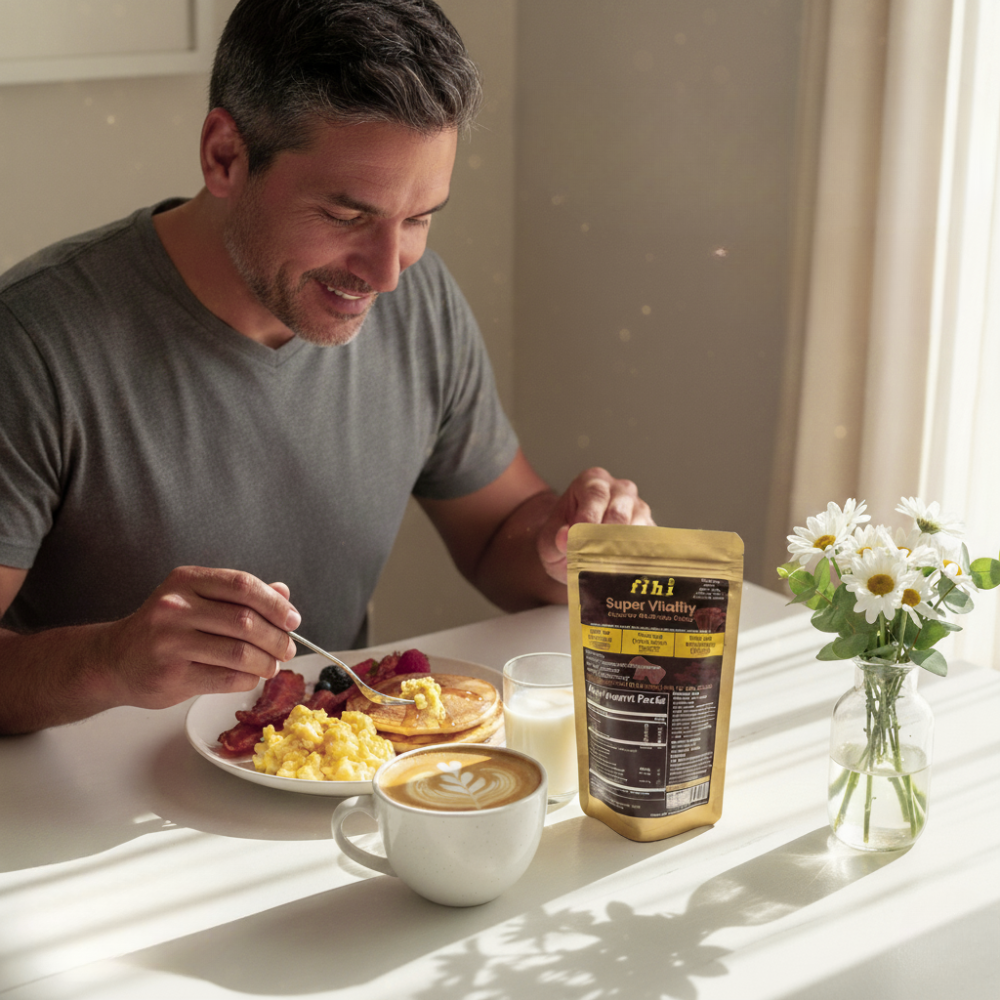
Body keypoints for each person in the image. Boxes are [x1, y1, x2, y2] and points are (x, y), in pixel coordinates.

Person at [0, 0, 652, 735]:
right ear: (225, 156)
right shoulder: (29, 343)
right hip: (80, 794)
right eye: (347, 216)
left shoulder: (420, 302)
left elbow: (498, 530)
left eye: (419, 218)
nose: (388, 273)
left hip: (333, 779)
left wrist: (568, 547)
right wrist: (110, 661)